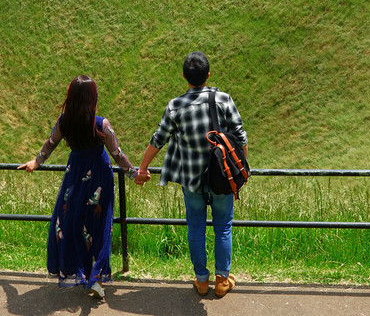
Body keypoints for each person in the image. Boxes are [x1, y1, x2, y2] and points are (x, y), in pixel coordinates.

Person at [136, 51, 247, 298]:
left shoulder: (175, 106)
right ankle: (221, 280)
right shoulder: (224, 99)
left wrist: (143, 168)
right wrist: (240, 170)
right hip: (222, 176)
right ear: (208, 75)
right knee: (224, 227)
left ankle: (200, 281)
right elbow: (241, 137)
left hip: (191, 179)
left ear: (184, 77)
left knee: (196, 227)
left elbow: (158, 139)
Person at [19, 75, 138, 300]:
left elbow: (50, 143)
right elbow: (117, 154)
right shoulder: (101, 123)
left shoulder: (64, 121)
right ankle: (96, 278)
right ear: (92, 98)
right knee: (99, 224)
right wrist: (134, 174)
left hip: (74, 174)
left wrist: (36, 161)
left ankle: (80, 271)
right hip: (100, 178)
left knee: (73, 222)